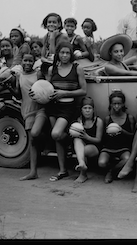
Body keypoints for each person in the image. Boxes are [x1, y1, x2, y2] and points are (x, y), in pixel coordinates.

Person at [43, 42, 87, 182]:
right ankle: (62, 171)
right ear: (58, 53)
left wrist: (64, 93)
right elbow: (47, 88)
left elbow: (83, 91)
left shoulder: (77, 68)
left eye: (68, 53)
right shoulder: (52, 69)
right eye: (62, 53)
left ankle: (71, 140)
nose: (65, 55)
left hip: (68, 108)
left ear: (71, 54)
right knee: (57, 139)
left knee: (56, 133)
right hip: (53, 106)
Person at [6, 53, 48, 181]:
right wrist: (10, 88)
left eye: (31, 61)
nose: (28, 63)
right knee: (32, 141)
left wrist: (38, 93)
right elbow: (19, 95)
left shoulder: (38, 74)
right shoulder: (19, 76)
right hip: (27, 111)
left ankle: (46, 140)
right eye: (25, 61)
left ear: (34, 62)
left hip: (40, 108)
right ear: (22, 62)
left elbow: (46, 89)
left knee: (35, 134)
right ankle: (33, 172)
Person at [98, 90, 136, 183]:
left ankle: (111, 171)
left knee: (127, 159)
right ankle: (111, 169)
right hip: (109, 148)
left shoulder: (129, 118)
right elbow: (103, 138)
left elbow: (133, 136)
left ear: (123, 104)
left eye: (119, 103)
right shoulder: (107, 119)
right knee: (101, 163)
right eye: (114, 104)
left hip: (124, 148)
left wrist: (122, 131)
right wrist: (110, 133)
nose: (116, 106)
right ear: (110, 104)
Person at [71, 96, 104, 183]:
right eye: (85, 108)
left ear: (93, 110)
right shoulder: (79, 121)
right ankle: (82, 164)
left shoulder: (98, 121)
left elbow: (99, 140)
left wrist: (87, 137)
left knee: (82, 151)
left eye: (90, 108)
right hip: (82, 145)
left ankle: (83, 174)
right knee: (76, 140)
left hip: (95, 147)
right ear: (81, 110)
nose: (87, 110)